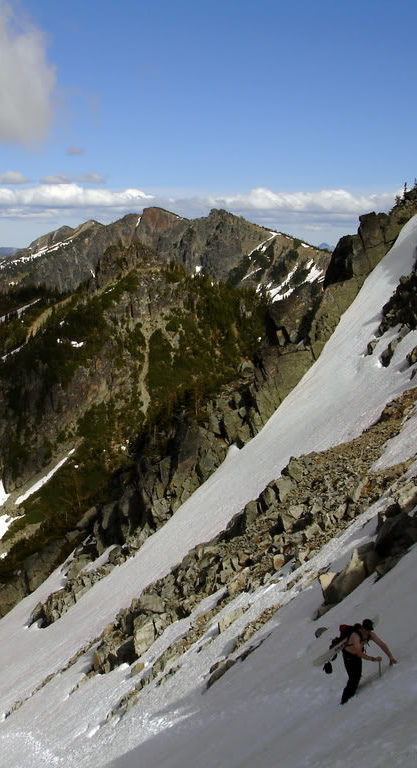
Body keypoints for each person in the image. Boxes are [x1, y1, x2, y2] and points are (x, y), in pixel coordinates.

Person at [340, 618, 397, 705]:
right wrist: (373, 659)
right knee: (353, 677)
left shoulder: (370, 634)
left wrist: (390, 657)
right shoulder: (355, 636)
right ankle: (344, 700)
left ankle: (352, 691)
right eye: (367, 630)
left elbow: (382, 644)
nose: (368, 632)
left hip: (356, 655)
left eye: (369, 630)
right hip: (349, 656)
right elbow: (359, 653)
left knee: (358, 675)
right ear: (362, 628)